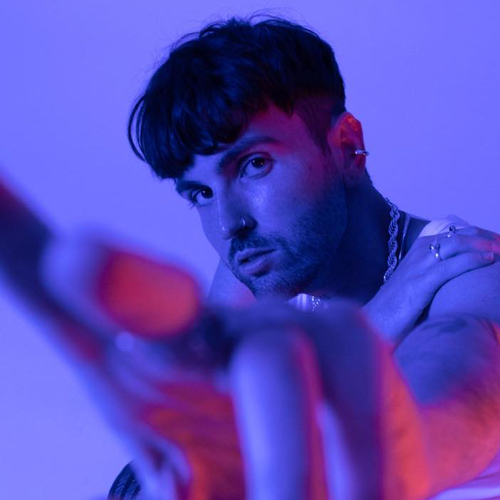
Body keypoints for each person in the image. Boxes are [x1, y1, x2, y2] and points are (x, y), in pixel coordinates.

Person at [1, 14, 500, 500]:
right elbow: (216, 428)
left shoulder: (468, 270)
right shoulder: (259, 268)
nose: (228, 225)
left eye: (254, 165)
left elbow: (443, 413)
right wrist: (387, 311)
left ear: (347, 146)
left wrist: (397, 459)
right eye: (199, 193)